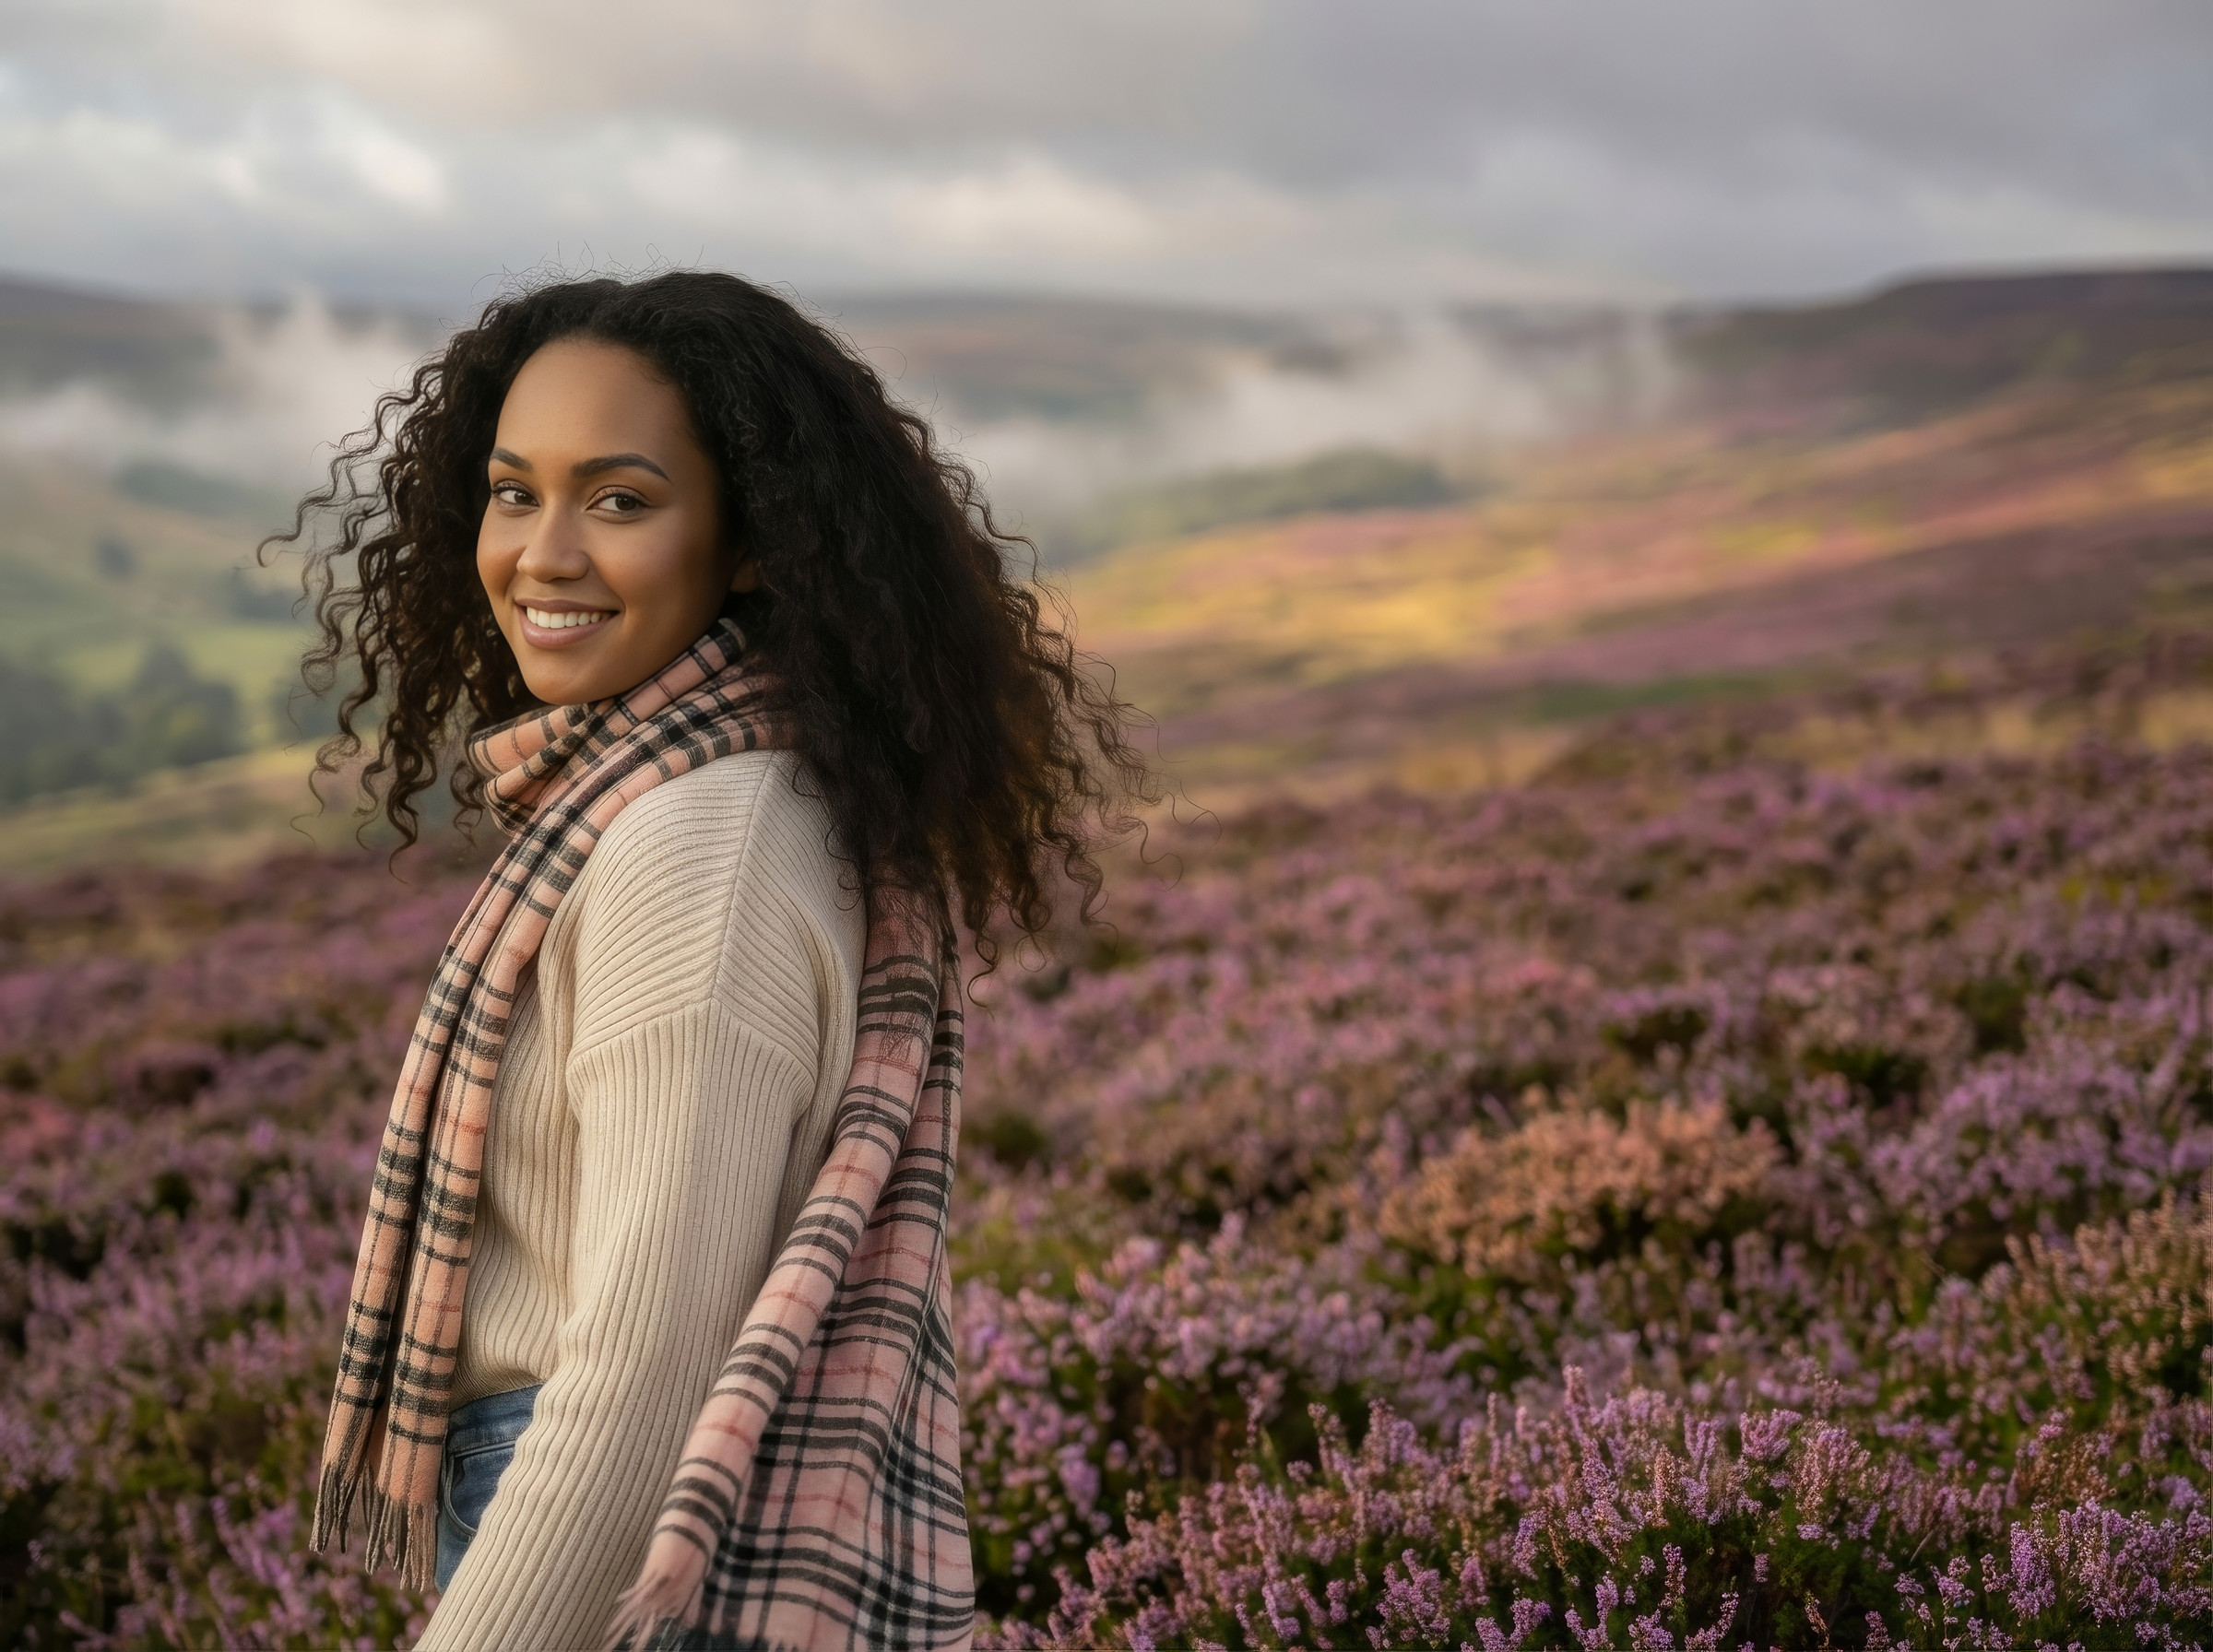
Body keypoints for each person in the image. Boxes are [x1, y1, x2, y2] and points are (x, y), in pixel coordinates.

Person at [271, 271, 1149, 1649]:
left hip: (612, 1547)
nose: (542, 554)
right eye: (515, 493)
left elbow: (640, 1383)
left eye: (620, 500)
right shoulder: (708, 784)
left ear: (750, 541)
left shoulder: (697, 849)